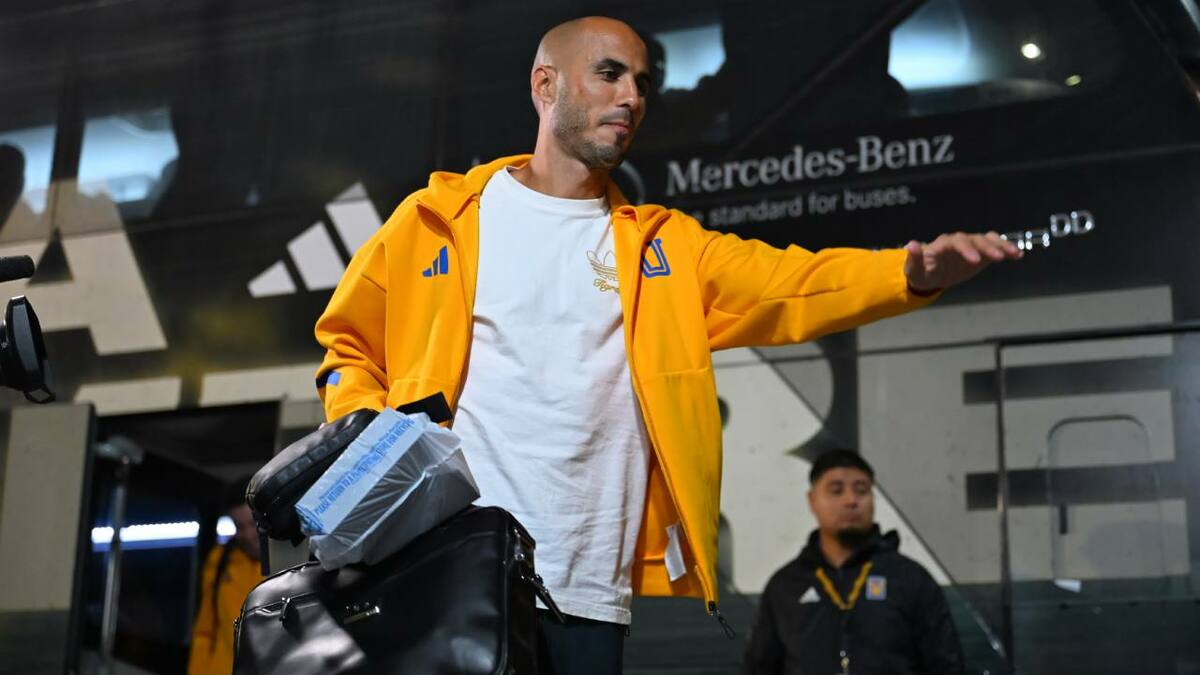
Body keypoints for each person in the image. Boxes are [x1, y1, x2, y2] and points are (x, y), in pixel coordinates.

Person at [313, 16, 1019, 674]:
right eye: (611, 74)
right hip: (445, 576)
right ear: (545, 85)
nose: (632, 97)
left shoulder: (666, 247)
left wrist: (906, 273)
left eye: (643, 84)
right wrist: (380, 458)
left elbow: (791, 283)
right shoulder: (438, 220)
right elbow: (348, 345)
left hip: (589, 589)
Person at [743, 450, 965, 674]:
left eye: (861, 490)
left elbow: (947, 666)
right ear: (812, 501)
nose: (851, 500)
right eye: (836, 491)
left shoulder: (910, 579)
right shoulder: (785, 586)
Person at [188, 477, 263, 675]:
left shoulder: (292, 561)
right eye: (239, 526)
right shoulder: (220, 560)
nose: (247, 535)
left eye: (252, 523)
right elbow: (204, 632)